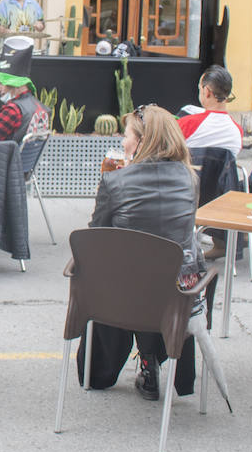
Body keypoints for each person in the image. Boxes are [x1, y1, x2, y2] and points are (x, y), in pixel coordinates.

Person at [85, 105, 205, 401]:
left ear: (141, 142)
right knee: (158, 270)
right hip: (179, 296)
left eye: (126, 136)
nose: (122, 142)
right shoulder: (190, 179)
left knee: (124, 272)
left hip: (123, 301)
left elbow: (96, 237)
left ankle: (102, 368)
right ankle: (152, 359)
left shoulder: (115, 182)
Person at [0, 36, 50, 143]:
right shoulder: (42, 109)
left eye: (1, 84)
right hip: (28, 160)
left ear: (17, 84)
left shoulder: (12, 111)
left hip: (10, 159)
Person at [176, 64, 243, 155]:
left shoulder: (187, 124)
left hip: (189, 169)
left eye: (199, 89)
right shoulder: (238, 132)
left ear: (206, 91)